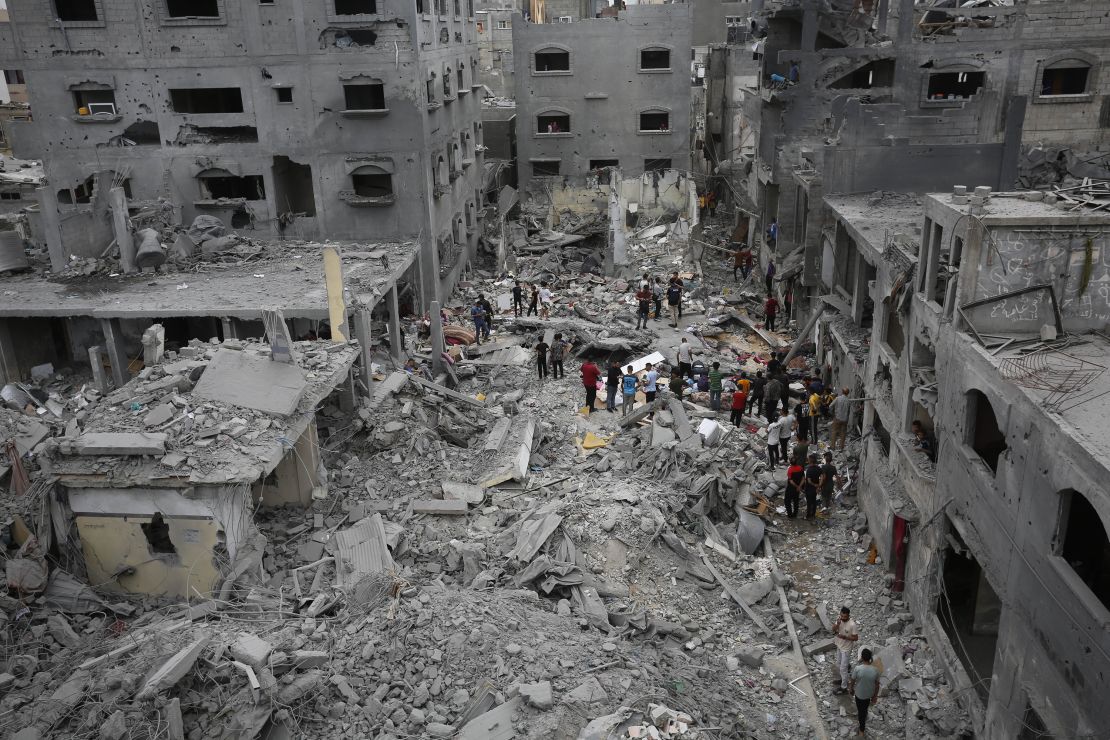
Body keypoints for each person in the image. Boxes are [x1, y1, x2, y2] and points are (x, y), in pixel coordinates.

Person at [851, 649, 881, 737]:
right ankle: (864, 714)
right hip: (868, 695)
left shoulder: (857, 669)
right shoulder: (876, 670)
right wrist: (875, 697)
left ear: (862, 657)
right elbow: (877, 685)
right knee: (864, 708)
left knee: (861, 713)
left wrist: (851, 689)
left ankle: (861, 729)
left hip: (859, 695)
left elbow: (852, 680)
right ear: (870, 658)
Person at [833, 607, 860, 693]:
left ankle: (844, 687)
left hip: (846, 649)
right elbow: (833, 629)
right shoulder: (839, 620)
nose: (843, 618)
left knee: (843, 668)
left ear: (848, 616)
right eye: (841, 616)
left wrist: (845, 637)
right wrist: (837, 624)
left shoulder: (852, 625)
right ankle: (841, 679)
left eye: (844, 617)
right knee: (838, 664)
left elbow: (856, 638)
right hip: (839, 646)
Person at [803, 453, 822, 520]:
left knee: (809, 503)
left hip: (809, 488)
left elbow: (809, 481)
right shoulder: (818, 468)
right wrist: (819, 485)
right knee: (814, 501)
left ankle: (808, 516)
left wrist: (814, 484)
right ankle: (813, 515)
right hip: (815, 489)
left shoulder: (809, 470)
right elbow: (822, 476)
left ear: (810, 461)